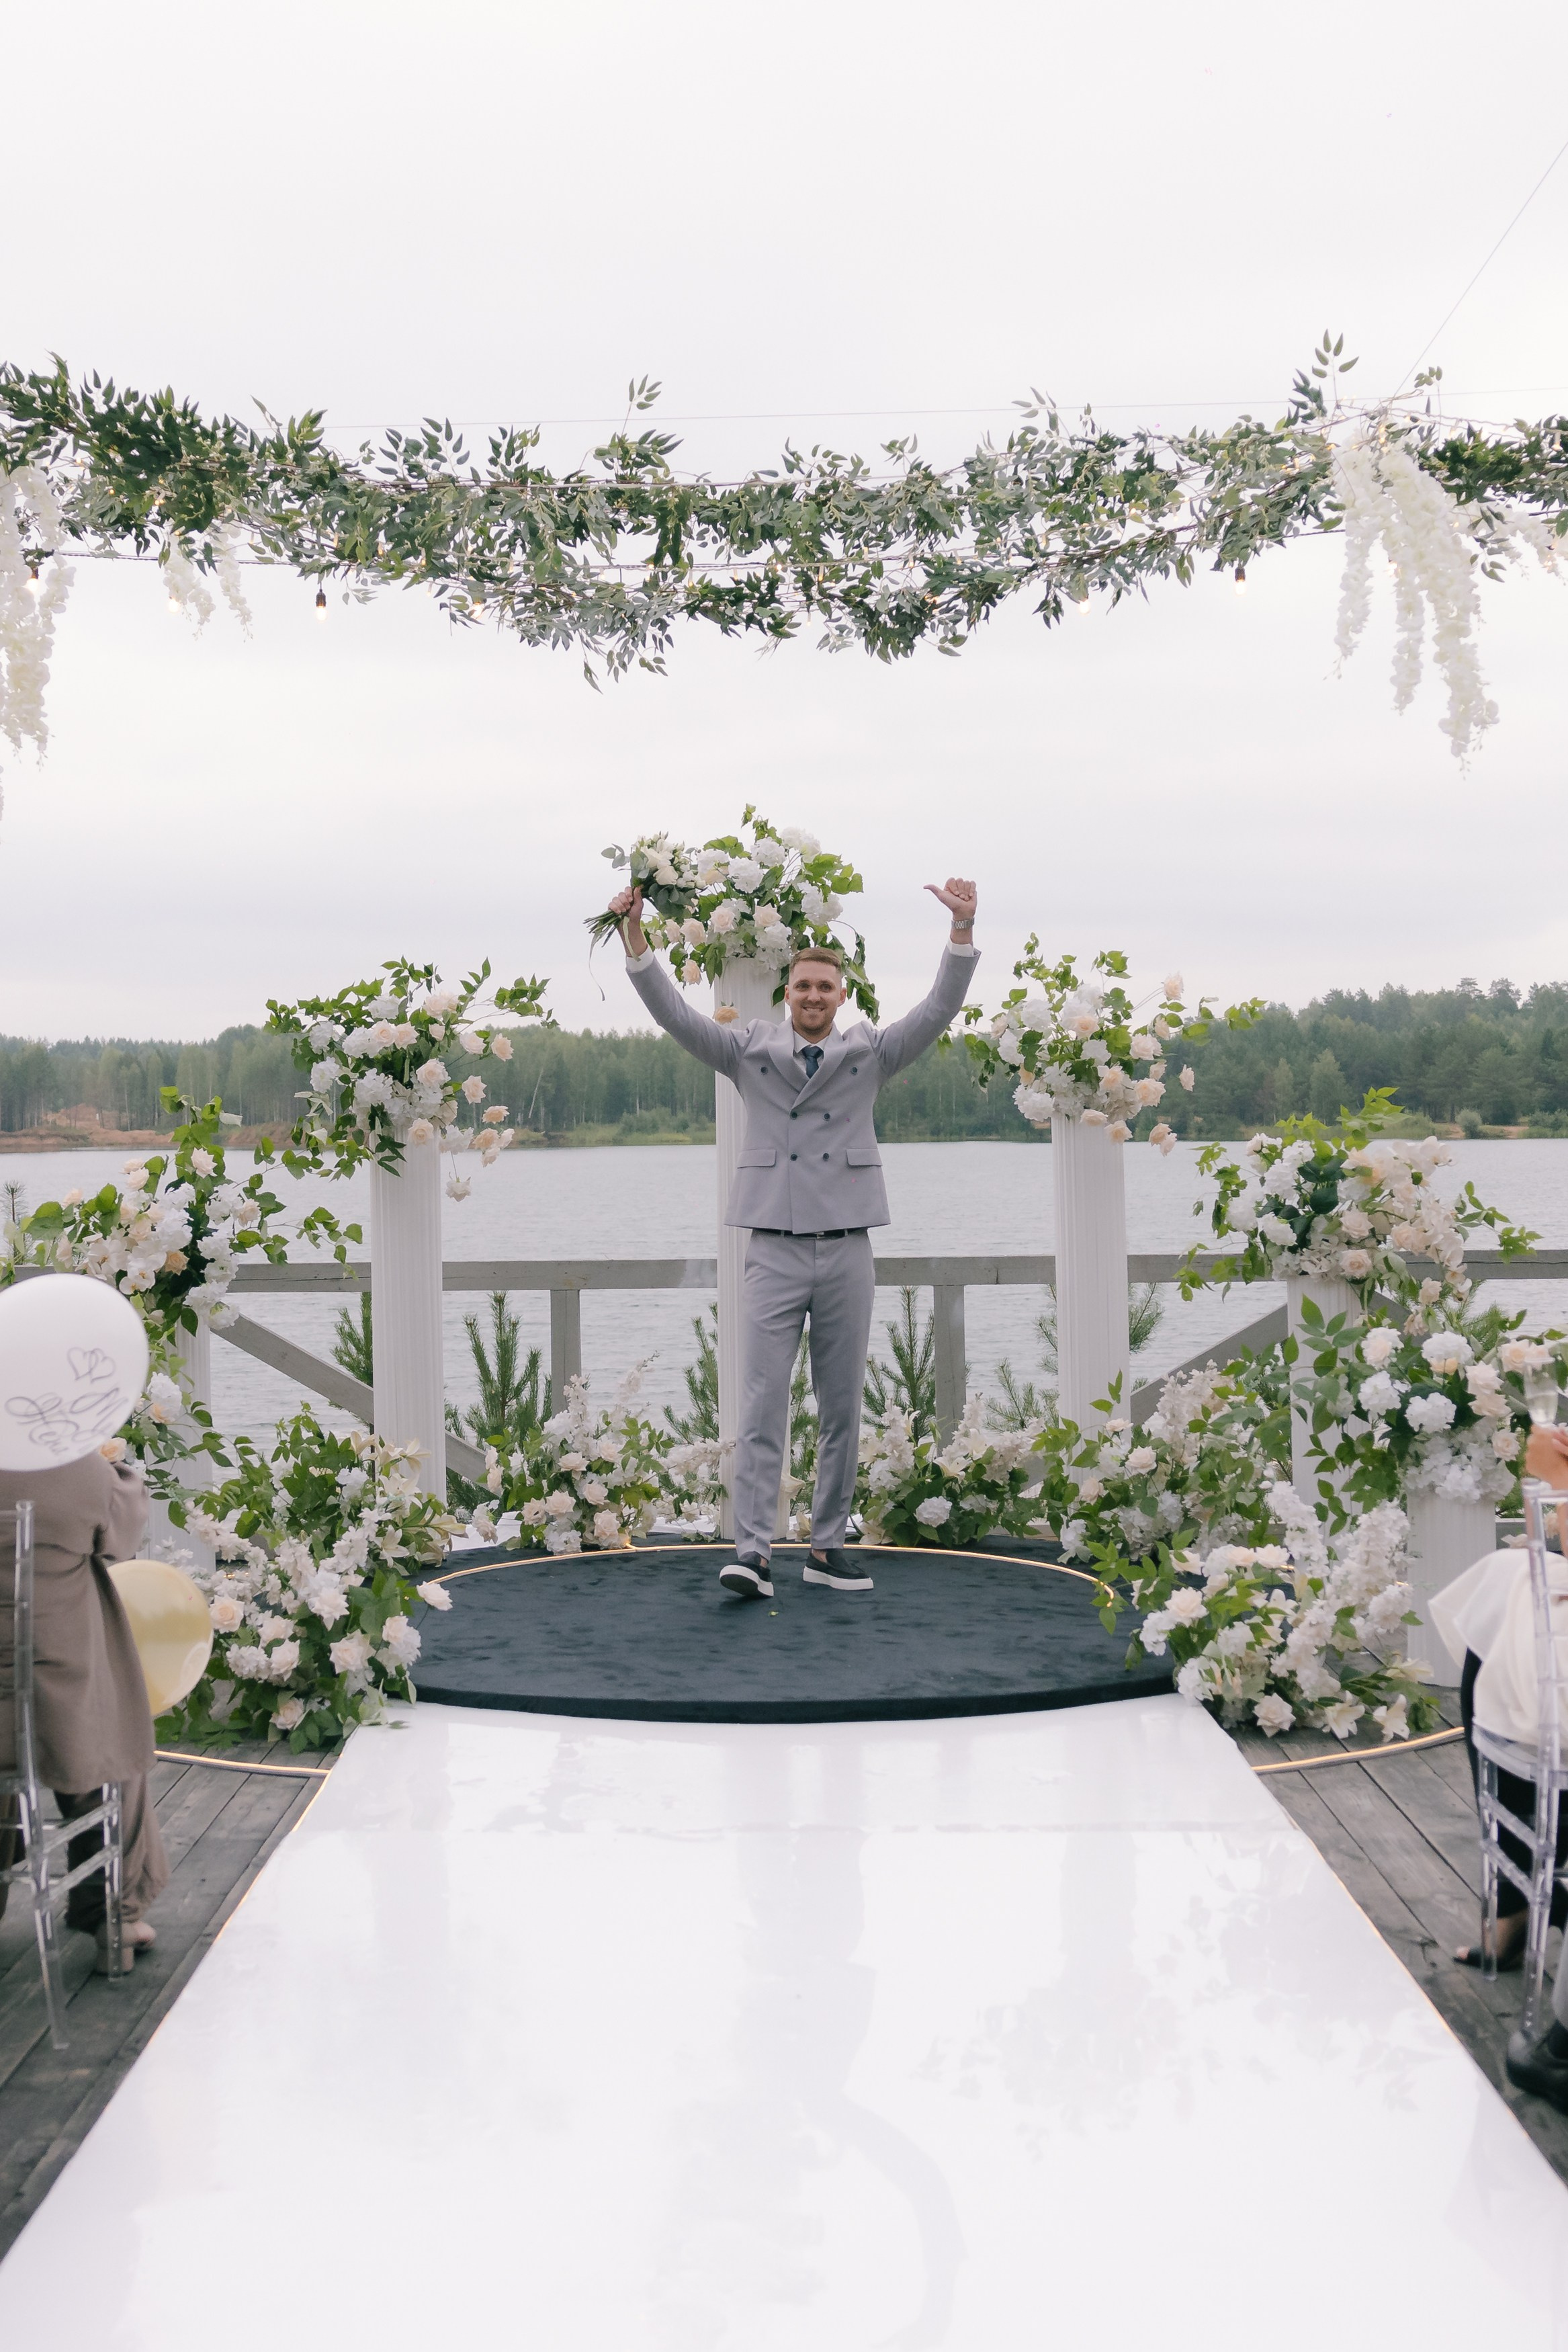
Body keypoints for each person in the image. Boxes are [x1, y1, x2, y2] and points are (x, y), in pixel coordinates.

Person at [609, 873, 979, 1599]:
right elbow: (677, 1018)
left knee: (841, 1403)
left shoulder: (870, 1053)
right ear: (787, 993)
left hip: (847, 1248)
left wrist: (961, 932)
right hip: (773, 1248)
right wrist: (636, 941)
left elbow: (938, 1010)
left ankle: (827, 1543)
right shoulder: (749, 1051)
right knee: (760, 1401)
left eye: (825, 987)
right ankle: (752, 1549)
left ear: (842, 997)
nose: (813, 996)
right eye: (803, 985)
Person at [0, 1449, 170, 1972]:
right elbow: (125, 1532)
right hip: (63, 1686)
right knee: (116, 1758)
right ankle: (114, 1916)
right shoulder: (76, 1470)